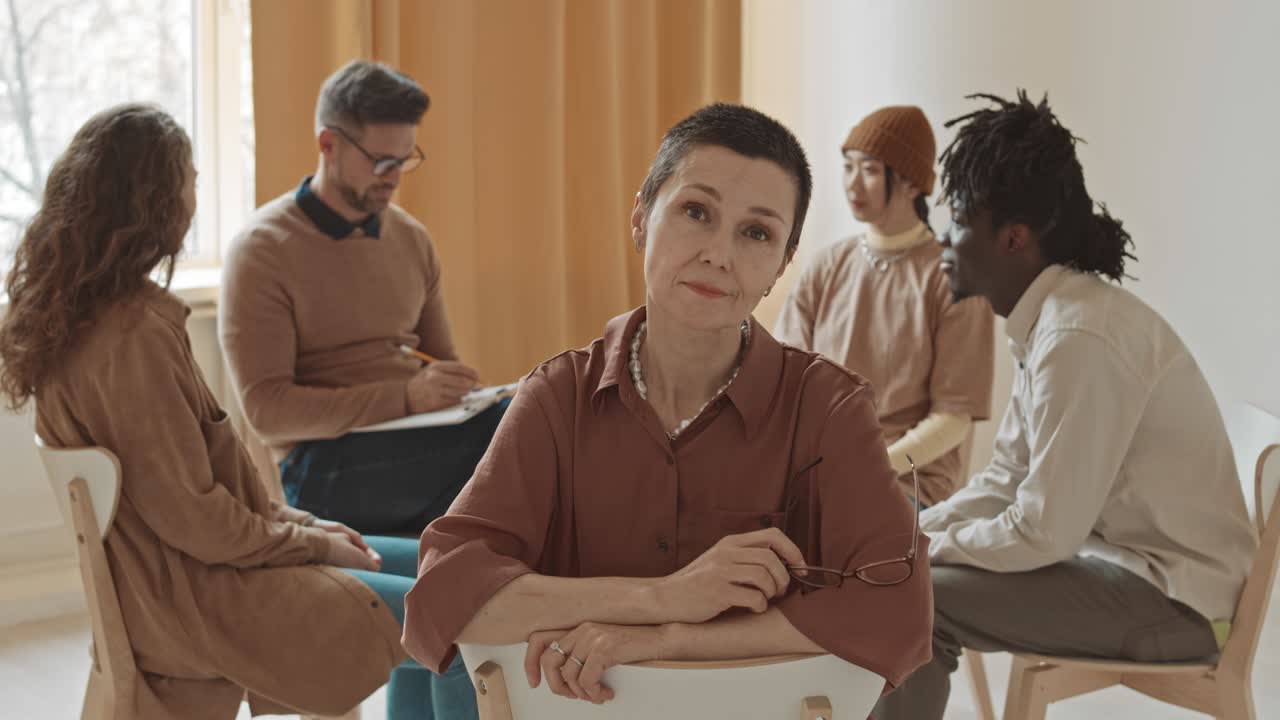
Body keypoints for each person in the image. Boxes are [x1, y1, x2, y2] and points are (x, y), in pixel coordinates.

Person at [401, 103, 932, 704]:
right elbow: (444, 596)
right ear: (641, 218)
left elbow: (898, 614)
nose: (718, 254)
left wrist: (664, 638)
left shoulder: (830, 409)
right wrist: (664, 597)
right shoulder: (555, 396)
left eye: (756, 232)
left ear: (781, 266)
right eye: (696, 212)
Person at [0, 104, 476, 720]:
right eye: (190, 177)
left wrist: (308, 528)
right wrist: (310, 546)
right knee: (465, 624)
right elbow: (197, 522)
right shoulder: (131, 342)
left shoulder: (91, 318)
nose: (195, 193)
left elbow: (199, 497)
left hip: (203, 578)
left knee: (454, 570)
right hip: (211, 600)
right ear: (155, 199)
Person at [872, 91, 1258, 720]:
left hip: (1181, 608)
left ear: (1014, 239)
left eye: (961, 219)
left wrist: (924, 551)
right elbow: (1007, 480)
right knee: (906, 582)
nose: (944, 237)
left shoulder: (1078, 337)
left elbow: (1042, 530)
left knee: (911, 600)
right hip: (1129, 572)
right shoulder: (1054, 321)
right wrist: (918, 534)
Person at [220, 60, 503, 535]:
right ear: (328, 144)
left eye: (405, 160)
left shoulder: (410, 238)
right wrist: (406, 398)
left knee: (539, 419)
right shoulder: (262, 250)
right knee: (516, 440)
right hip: (321, 465)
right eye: (380, 162)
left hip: (415, 439)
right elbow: (268, 412)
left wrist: (462, 391)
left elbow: (442, 361)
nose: (393, 177)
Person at [774, 105, 994, 506]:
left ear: (912, 184)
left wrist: (867, 466)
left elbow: (953, 418)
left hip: (909, 484)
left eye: (871, 170)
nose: (853, 184)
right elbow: (783, 381)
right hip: (817, 471)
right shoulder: (827, 265)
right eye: (848, 166)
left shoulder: (954, 278)